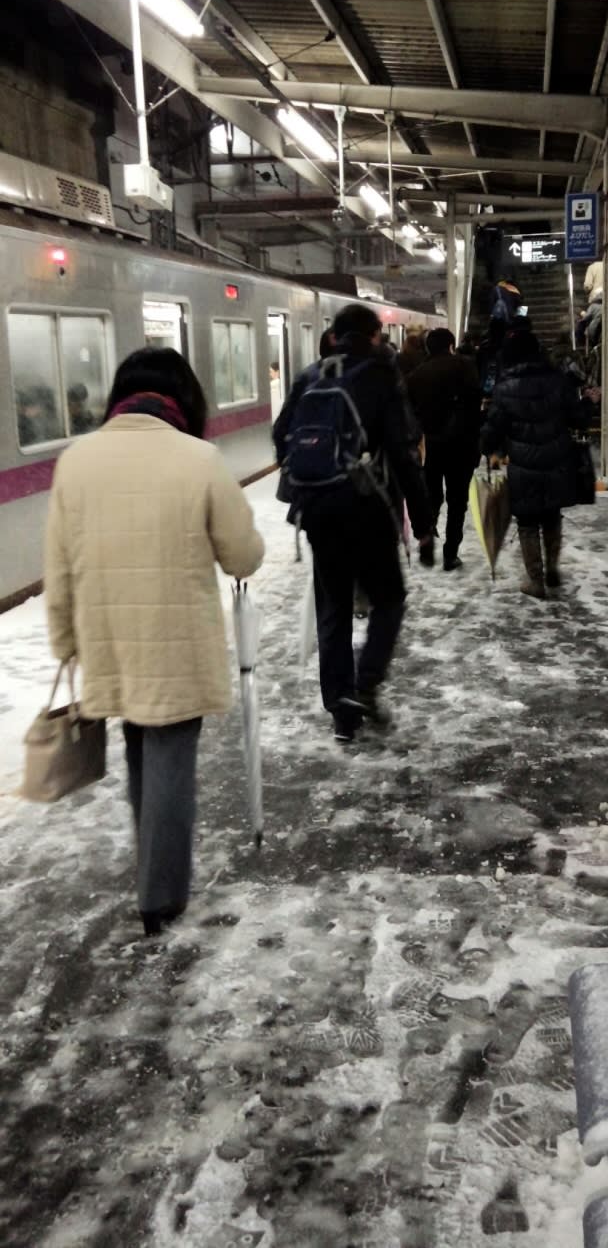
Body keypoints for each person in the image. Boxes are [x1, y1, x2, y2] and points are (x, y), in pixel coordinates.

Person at [44, 347, 265, 937]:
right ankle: (160, 896)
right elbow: (242, 554)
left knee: (142, 749)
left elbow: (59, 568)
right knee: (169, 758)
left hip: (110, 637)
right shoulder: (199, 458)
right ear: (184, 398)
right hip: (175, 641)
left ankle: (152, 872)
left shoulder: (77, 460)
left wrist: (65, 640)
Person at [273, 303, 432, 742]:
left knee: (334, 608)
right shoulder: (380, 375)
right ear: (374, 336)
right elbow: (402, 454)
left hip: (318, 512)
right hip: (366, 507)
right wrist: (422, 524)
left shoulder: (311, 375)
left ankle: (341, 710)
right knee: (389, 598)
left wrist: (307, 487)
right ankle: (366, 682)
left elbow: (280, 436)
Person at [482, 328, 588, 599]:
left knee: (527, 522)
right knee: (552, 516)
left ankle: (535, 579)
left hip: (523, 466)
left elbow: (492, 428)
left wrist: (490, 450)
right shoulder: (558, 380)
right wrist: (588, 402)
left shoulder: (504, 388)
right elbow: (578, 418)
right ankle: (552, 568)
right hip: (557, 461)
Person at [406, 328, 482, 572]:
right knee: (458, 501)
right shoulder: (465, 365)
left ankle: (427, 534)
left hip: (432, 446)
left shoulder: (417, 375)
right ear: (450, 345)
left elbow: (410, 413)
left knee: (433, 496)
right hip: (463, 445)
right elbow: (475, 401)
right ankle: (451, 554)